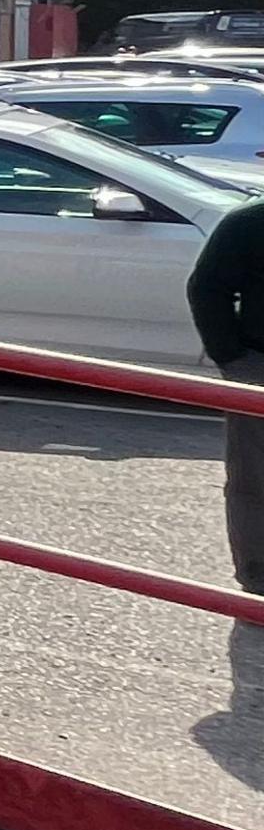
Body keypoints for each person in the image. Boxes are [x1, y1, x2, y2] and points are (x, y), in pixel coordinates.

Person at [187, 202, 264, 593]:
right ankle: (258, 581)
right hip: (260, 365)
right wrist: (234, 359)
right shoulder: (250, 223)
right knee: (255, 480)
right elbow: (207, 288)